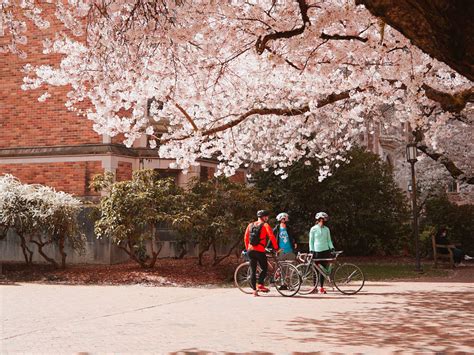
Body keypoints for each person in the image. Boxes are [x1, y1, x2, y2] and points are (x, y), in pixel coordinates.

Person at [244, 210, 279, 296]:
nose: (267, 218)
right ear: (263, 217)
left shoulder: (250, 225)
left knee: (253, 270)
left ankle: (254, 292)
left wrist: (248, 248)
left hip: (250, 250)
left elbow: (245, 238)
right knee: (264, 268)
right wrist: (276, 248)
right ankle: (260, 284)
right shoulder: (265, 225)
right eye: (266, 216)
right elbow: (271, 236)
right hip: (259, 250)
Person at [309, 211, 334, 294]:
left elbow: (329, 240)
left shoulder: (327, 229)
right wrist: (311, 250)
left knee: (323, 271)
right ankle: (314, 287)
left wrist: (332, 248)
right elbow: (311, 241)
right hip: (316, 251)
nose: (324, 220)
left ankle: (321, 287)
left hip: (325, 251)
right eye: (323, 219)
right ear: (319, 219)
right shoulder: (313, 229)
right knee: (315, 270)